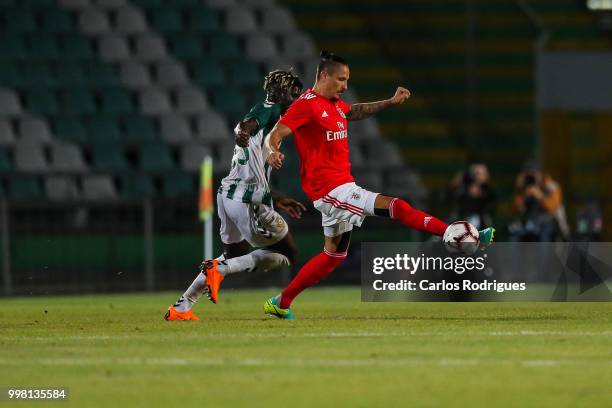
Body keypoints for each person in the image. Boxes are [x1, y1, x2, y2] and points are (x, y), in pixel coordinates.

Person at [258, 51, 495, 319]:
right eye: (341, 79)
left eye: (347, 80)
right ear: (324, 75)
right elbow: (275, 134)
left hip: (341, 186)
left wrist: (390, 102)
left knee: (333, 256)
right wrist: (271, 151)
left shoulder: (335, 103)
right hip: (329, 190)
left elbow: (355, 111)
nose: (345, 86)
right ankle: (454, 234)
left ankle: (281, 302)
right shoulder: (306, 105)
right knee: (397, 206)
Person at [165, 70, 306, 321]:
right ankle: (219, 270)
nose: (297, 98)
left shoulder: (266, 114)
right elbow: (247, 126)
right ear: (281, 92)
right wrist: (243, 131)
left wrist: (277, 197)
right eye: (294, 93)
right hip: (248, 202)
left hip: (228, 195)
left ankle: (182, 307)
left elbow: (250, 157)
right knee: (288, 253)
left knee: (234, 254)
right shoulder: (271, 109)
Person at [509, 164, 569, 241]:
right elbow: (516, 210)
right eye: (528, 175)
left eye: (534, 174)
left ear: (540, 174)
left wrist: (540, 196)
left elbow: (552, 208)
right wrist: (520, 191)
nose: (532, 178)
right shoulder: (524, 188)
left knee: (544, 232)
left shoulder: (551, 186)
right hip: (529, 224)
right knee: (515, 234)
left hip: (550, 224)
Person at [447, 163, 496, 230]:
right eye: (477, 174)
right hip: (462, 217)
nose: (480, 176)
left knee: (476, 220)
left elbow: (491, 205)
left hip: (481, 219)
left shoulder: (488, 190)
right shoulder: (464, 187)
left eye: (483, 173)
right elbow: (452, 197)